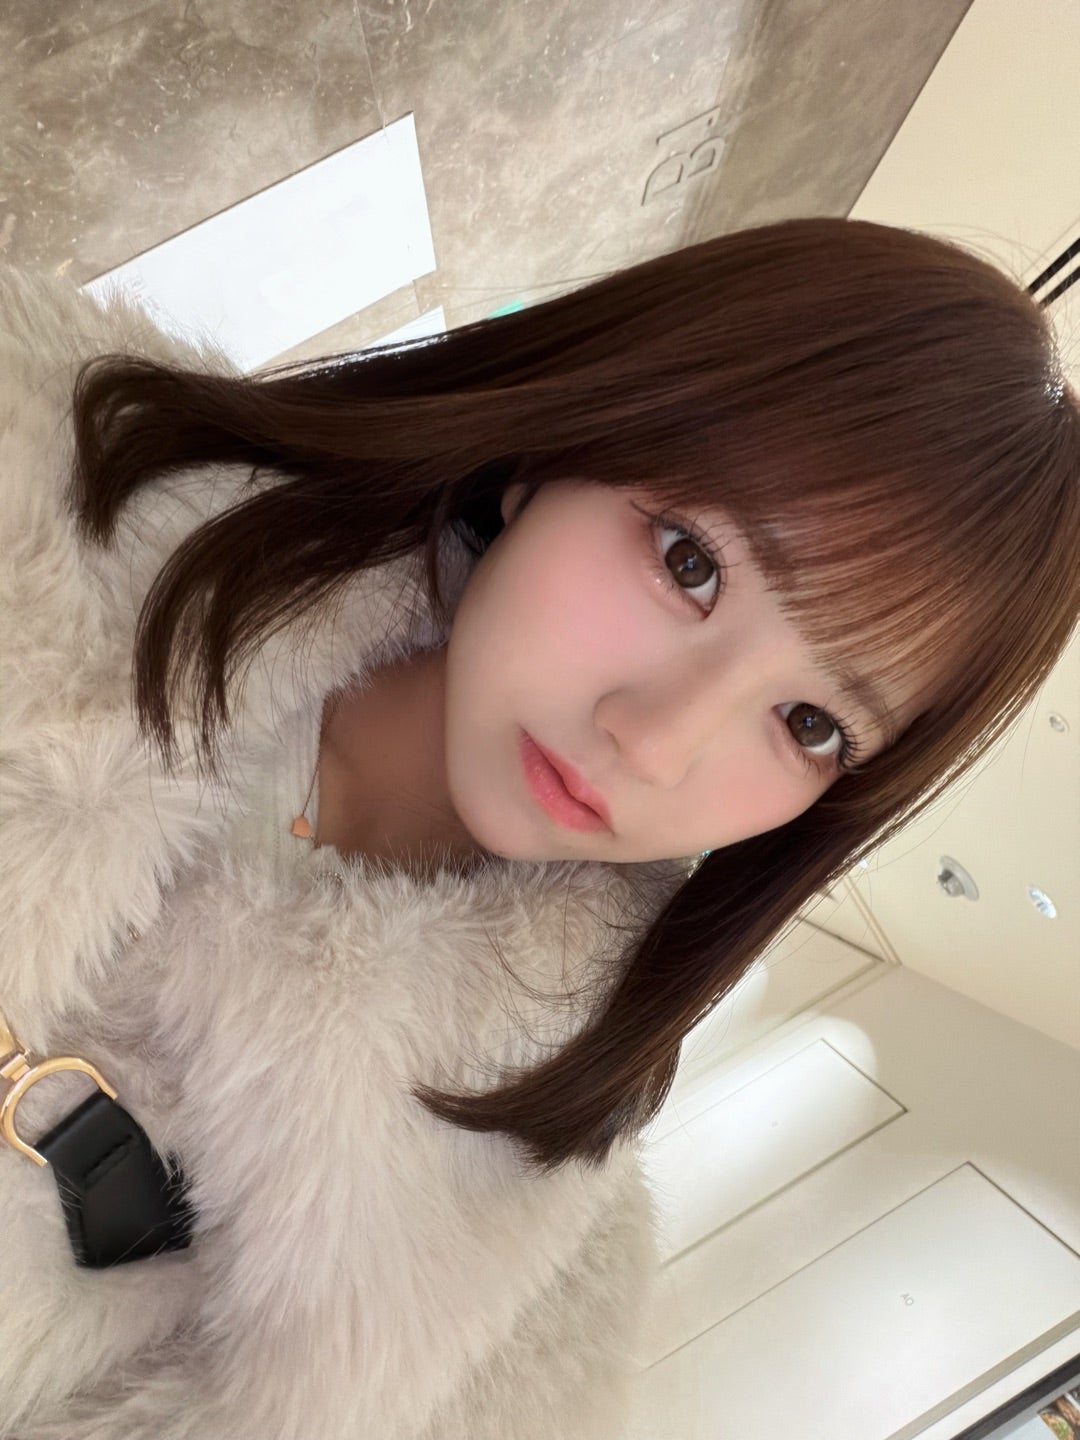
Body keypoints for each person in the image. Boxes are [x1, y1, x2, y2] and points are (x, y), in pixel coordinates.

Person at [0, 217, 1077, 1439]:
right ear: (561, 450)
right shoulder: (38, 471)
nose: (656, 742)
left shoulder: (522, 1286)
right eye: (689, 562)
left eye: (810, 724)